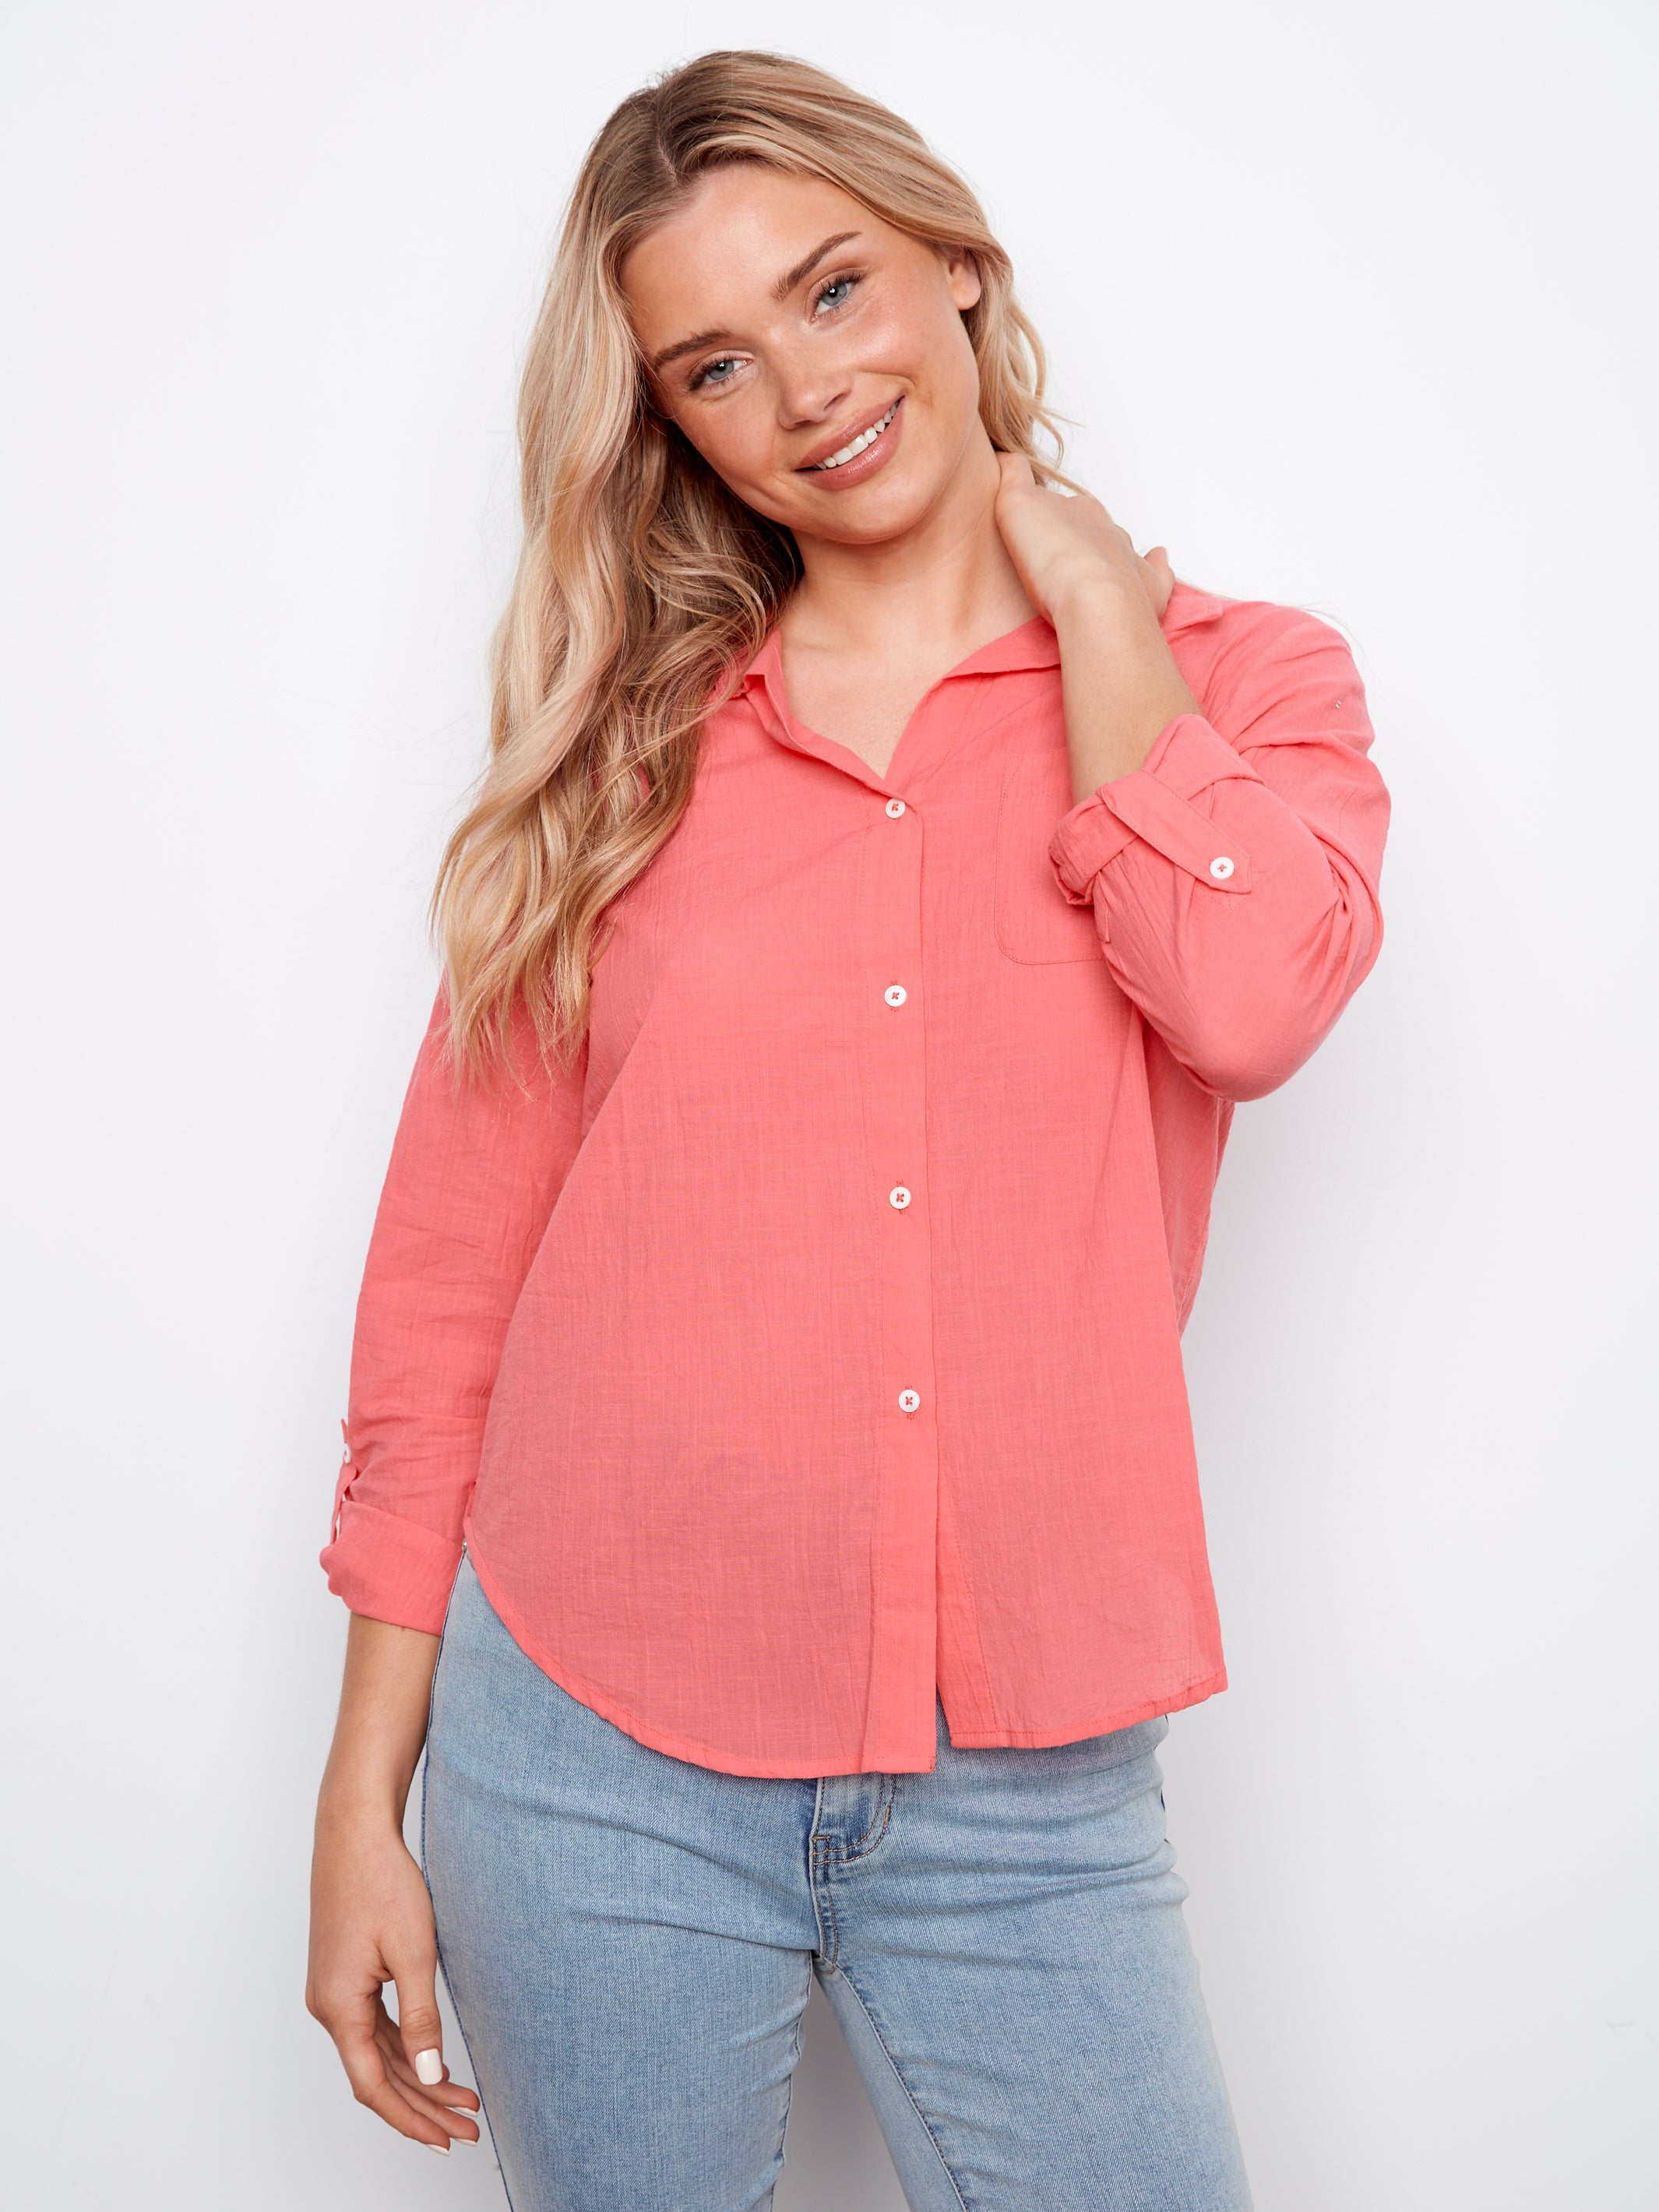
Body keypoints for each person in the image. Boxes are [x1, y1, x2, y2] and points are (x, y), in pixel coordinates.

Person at [305, 48, 1389, 2212]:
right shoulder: (623, 763)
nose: (804, 390)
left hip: (1029, 1781)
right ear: (671, 425)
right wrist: (360, 1804)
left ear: (956, 267)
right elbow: (447, 1292)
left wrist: (1097, 611)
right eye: (713, 364)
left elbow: (1253, 1004)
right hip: (590, 1752)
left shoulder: (1242, 684)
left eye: (832, 288)